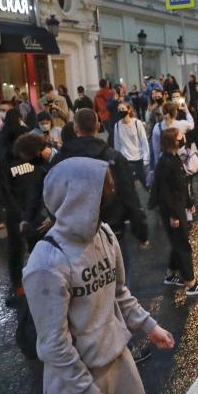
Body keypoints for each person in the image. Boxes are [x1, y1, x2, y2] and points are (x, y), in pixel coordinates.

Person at [23, 157, 175, 394]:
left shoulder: (104, 234)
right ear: (79, 194)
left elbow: (119, 292)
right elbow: (54, 345)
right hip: (72, 381)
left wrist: (149, 326)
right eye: (103, 183)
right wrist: (89, 393)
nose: (112, 187)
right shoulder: (45, 263)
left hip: (118, 359)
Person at [53, 109, 149, 273]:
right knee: (119, 282)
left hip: (75, 232)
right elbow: (129, 195)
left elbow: (53, 194)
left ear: (75, 129)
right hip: (110, 228)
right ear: (97, 126)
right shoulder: (113, 157)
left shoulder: (61, 159)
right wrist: (141, 231)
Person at [0, 130, 50, 307]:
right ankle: (25, 290)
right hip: (25, 214)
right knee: (25, 252)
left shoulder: (37, 161)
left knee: (27, 252)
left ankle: (28, 290)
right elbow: (7, 191)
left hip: (27, 213)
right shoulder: (23, 163)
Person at [154, 127, 198, 296]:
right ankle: (190, 283)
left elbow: (181, 184)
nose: (183, 138)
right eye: (180, 137)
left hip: (179, 206)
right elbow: (164, 192)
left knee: (178, 240)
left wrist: (189, 202)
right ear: (172, 141)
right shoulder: (165, 163)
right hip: (172, 210)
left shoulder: (174, 158)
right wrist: (173, 215)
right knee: (183, 245)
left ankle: (171, 275)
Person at [113, 101, 150, 186]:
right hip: (126, 160)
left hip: (139, 159)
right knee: (129, 185)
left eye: (123, 109)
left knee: (145, 183)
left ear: (129, 110)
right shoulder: (117, 126)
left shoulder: (137, 123)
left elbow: (144, 141)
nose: (121, 111)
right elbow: (117, 144)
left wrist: (146, 159)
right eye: (119, 110)